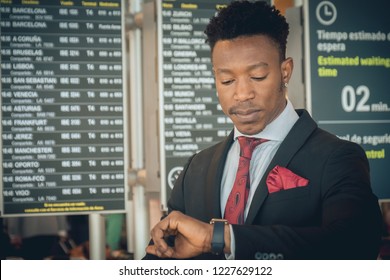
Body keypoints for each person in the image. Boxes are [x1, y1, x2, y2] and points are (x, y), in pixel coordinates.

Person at [144, 0, 382, 260]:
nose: (242, 94)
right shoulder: (195, 169)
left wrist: (222, 238)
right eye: (227, 80)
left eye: (257, 77)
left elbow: (356, 246)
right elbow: (160, 257)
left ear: (285, 71)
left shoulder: (338, 157)